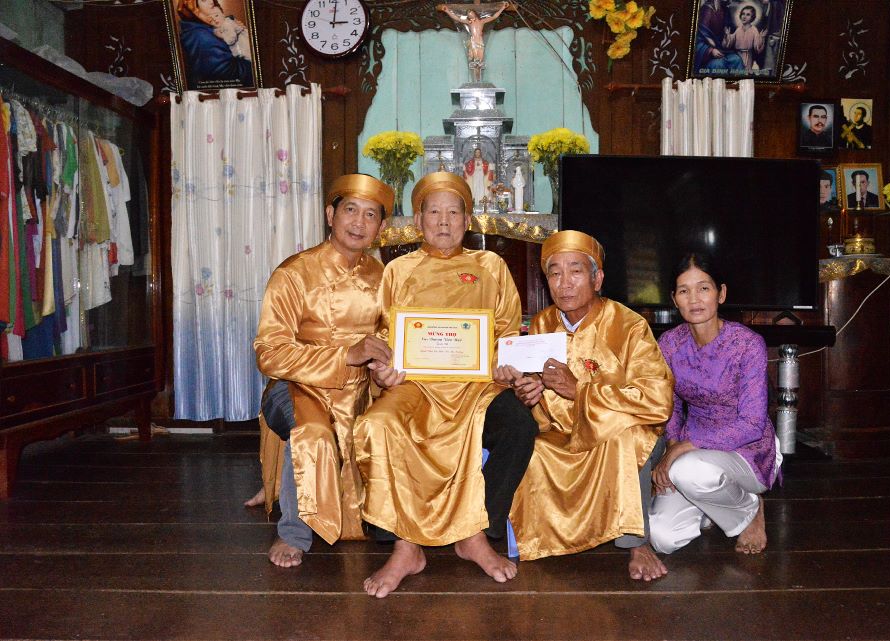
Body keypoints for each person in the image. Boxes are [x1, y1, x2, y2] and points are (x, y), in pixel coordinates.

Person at [356, 171, 538, 598]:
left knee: (519, 425)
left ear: (467, 220)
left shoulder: (490, 266)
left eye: (453, 212)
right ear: (418, 220)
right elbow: (382, 337)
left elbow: (507, 333)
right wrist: (383, 370)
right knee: (377, 425)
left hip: (478, 388)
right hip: (415, 388)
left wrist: (505, 365)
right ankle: (405, 548)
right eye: (433, 212)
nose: (443, 221)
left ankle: (474, 535)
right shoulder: (398, 270)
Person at [502, 231, 675, 581]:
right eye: (554, 273)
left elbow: (658, 400)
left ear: (597, 279)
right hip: (563, 432)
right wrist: (529, 392)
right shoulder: (542, 324)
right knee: (532, 449)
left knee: (624, 437)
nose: (564, 283)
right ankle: (540, 538)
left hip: (622, 431)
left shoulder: (629, 325)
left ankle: (636, 542)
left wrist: (580, 390)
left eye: (576, 271)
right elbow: (539, 399)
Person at [252, 174, 394, 567]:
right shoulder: (294, 273)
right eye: (351, 210)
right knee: (314, 433)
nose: (359, 222)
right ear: (331, 215)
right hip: (296, 387)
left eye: (371, 215)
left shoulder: (383, 277)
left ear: (381, 228)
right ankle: (293, 533)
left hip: (361, 391)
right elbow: (269, 353)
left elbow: (390, 338)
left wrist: (383, 366)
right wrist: (346, 356)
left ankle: (399, 527)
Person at [649, 253, 781, 556]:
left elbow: (752, 424)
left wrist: (683, 448)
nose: (694, 299)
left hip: (747, 450)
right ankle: (713, 505)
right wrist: (672, 445)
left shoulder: (747, 344)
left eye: (704, 288)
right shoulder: (669, 343)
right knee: (663, 538)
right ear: (674, 299)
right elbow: (669, 405)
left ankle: (749, 508)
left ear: (721, 293)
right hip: (691, 453)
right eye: (684, 291)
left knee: (687, 471)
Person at [177, 0, 253, 89]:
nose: (211, 1)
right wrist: (255, 65)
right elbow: (229, 74)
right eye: (204, 0)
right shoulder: (202, 37)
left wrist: (231, 22)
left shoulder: (201, 25)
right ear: (192, 5)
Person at [438, 2, 512, 81]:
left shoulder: (482, 22)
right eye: (469, 15)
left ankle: (478, 78)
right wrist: (447, 11)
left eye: (471, 14)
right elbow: (457, 18)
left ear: (475, 14)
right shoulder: (469, 23)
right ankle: (476, 79)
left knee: (480, 59)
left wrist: (502, 8)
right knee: (475, 60)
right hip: (473, 41)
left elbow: (494, 17)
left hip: (480, 41)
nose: (470, 16)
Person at [693, 0, 745, 76]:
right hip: (706, 54)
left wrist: (726, 39)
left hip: (721, 50)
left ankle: (739, 82)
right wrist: (711, 50)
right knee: (719, 64)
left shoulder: (724, 9)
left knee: (737, 59)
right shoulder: (706, 10)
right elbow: (698, 38)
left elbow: (723, 37)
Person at [722, 5, 766, 71]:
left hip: (748, 58)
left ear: (752, 17)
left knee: (745, 73)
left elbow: (757, 48)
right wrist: (727, 35)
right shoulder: (738, 29)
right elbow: (730, 43)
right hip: (737, 56)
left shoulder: (754, 30)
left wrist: (762, 38)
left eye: (748, 14)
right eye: (743, 14)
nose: (744, 17)